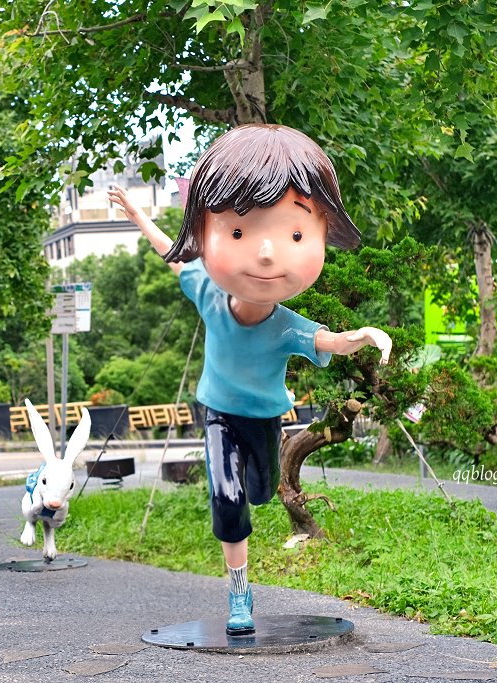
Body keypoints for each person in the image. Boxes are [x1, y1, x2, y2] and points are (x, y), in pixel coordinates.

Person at [108, 124, 391, 636]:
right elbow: (169, 252)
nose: (265, 255)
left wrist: (366, 334)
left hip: (265, 420)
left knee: (260, 490)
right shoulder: (206, 291)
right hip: (218, 413)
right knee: (227, 498)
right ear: (209, 232)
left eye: (296, 235)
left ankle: (259, 489)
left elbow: (331, 341)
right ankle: (239, 589)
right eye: (238, 233)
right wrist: (135, 213)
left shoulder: (287, 324)